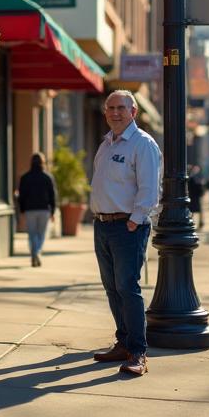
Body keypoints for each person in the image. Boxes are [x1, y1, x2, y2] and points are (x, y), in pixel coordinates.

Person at [89, 90, 161, 377]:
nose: (115, 112)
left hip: (127, 227)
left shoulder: (142, 144)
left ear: (134, 112)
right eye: (111, 108)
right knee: (112, 288)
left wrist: (135, 220)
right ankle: (123, 342)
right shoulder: (106, 144)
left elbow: (150, 188)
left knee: (128, 289)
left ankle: (138, 352)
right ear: (105, 112)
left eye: (121, 108)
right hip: (103, 225)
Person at [17, 153, 56, 267]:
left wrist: (22, 210)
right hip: (44, 210)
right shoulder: (48, 177)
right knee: (41, 234)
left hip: (30, 210)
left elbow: (21, 195)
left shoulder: (25, 177)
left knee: (32, 233)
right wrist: (52, 211)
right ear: (42, 163)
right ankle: (37, 252)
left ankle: (34, 253)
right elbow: (52, 195)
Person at [188, 165, 205, 230]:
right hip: (193, 197)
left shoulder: (197, 177)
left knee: (198, 210)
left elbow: (200, 188)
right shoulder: (192, 177)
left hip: (196, 197)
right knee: (192, 211)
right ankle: (192, 222)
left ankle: (200, 222)